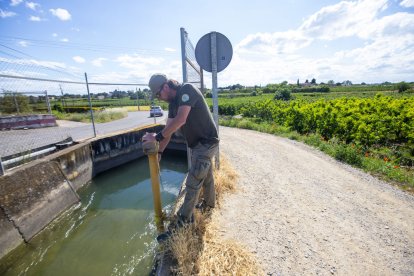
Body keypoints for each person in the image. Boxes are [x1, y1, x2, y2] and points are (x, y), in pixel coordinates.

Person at [142, 73, 219, 240]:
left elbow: (181, 120)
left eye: (158, 94)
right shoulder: (172, 105)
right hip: (197, 145)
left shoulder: (187, 90)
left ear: (166, 87)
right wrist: (160, 152)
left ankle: (182, 225)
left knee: (193, 183)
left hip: (206, 143)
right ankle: (209, 205)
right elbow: (168, 130)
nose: (159, 98)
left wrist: (156, 138)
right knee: (206, 177)